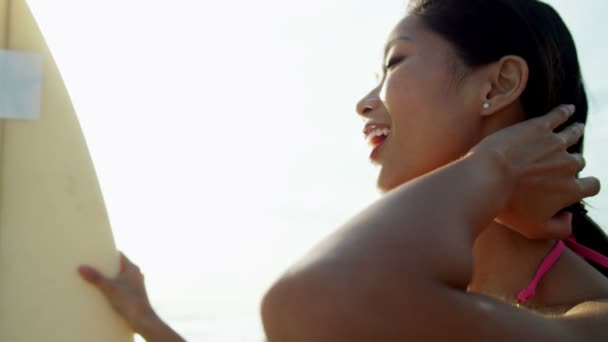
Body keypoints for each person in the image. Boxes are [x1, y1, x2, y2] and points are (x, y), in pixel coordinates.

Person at [79, 0, 608, 340]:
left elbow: (310, 301)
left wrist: (492, 168)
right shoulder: (422, 291)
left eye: (395, 62)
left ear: (496, 86)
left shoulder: (591, 313)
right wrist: (149, 324)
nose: (364, 102)